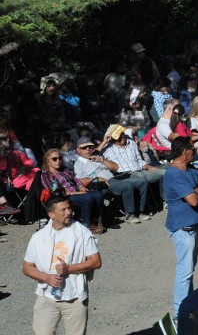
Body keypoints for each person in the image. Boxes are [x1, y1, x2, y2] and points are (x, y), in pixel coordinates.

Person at [23, 195, 102, 335]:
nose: (68, 212)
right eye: (63, 209)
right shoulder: (39, 237)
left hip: (74, 297)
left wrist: (69, 269)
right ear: (51, 214)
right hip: (46, 296)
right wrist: (47, 278)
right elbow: (27, 267)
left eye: (69, 208)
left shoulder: (82, 232)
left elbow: (96, 261)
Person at [163, 137, 198, 320]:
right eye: (192, 150)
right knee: (185, 271)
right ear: (185, 152)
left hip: (191, 226)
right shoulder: (174, 174)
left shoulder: (190, 170)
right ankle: (180, 312)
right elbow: (194, 199)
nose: (194, 152)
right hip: (183, 229)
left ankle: (187, 306)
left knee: (188, 269)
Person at [73, 135, 150, 225]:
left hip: (115, 178)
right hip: (103, 184)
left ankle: (141, 211)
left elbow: (115, 167)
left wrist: (101, 160)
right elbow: (79, 180)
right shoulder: (79, 164)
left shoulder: (96, 156)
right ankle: (130, 214)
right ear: (78, 150)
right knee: (127, 185)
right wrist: (96, 178)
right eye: (84, 148)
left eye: (90, 147)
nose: (88, 149)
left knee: (142, 181)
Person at [40, 149, 105, 234]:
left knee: (98, 194)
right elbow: (54, 191)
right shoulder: (46, 175)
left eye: (60, 158)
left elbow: (76, 179)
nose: (58, 161)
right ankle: (86, 225)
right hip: (64, 196)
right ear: (47, 161)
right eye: (54, 159)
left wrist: (81, 186)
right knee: (88, 197)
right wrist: (75, 193)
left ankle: (98, 220)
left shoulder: (65, 170)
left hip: (78, 192)